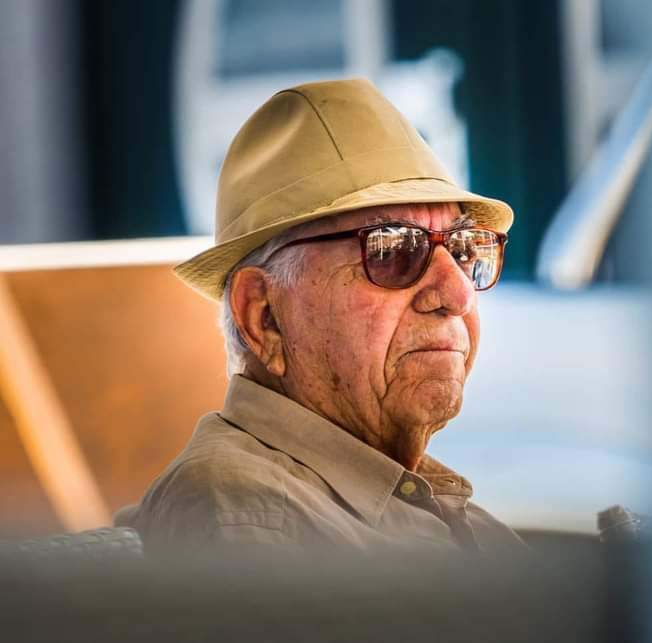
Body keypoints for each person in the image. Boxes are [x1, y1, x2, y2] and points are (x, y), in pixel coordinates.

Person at [122, 79, 521, 555]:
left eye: (462, 249)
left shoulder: (410, 502)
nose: (457, 294)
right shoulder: (246, 513)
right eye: (393, 250)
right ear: (264, 317)